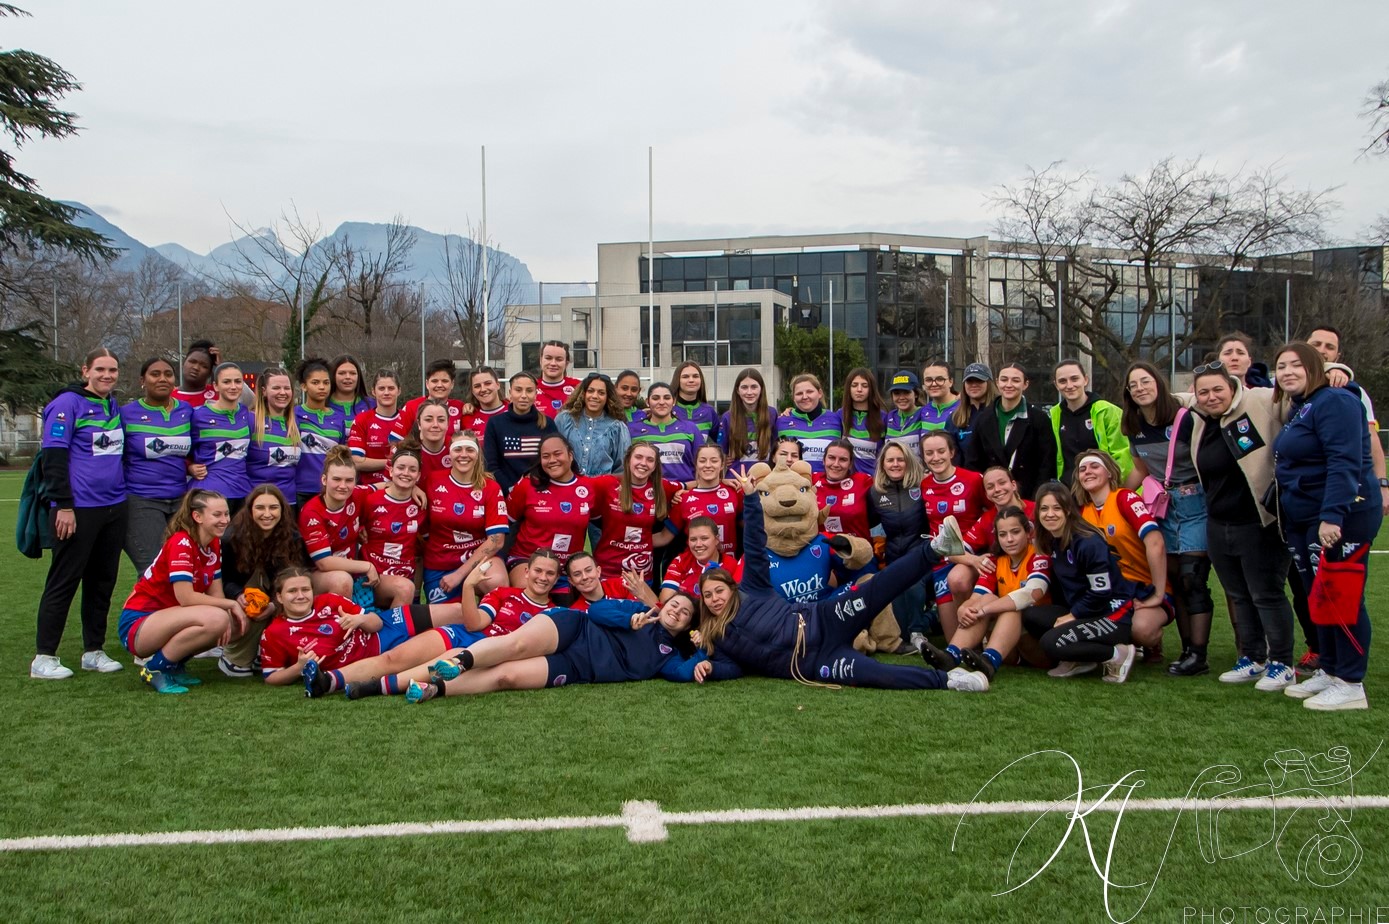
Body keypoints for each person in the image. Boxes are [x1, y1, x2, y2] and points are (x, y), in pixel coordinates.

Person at [694, 477, 987, 692]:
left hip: (821, 620)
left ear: (732, 588)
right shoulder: (717, 637)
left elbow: (755, 546)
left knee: (878, 586)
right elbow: (732, 668)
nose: (714, 599)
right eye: (708, 596)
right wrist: (710, 667)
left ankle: (935, 548)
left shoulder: (752, 588)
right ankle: (951, 680)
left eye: (719, 590)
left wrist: (749, 499)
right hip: (813, 663)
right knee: (875, 675)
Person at [1274, 342, 1383, 711]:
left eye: (1295, 365)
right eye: (1281, 366)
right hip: (1304, 516)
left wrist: (1332, 515)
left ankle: (1351, 683)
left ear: (1316, 367)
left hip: (1341, 516)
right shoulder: (1302, 405)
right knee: (1317, 596)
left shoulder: (1336, 400)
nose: (1287, 371)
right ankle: (1332, 668)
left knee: (1342, 595)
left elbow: (1344, 460)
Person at [1186, 361, 1298, 690]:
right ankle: (1253, 657)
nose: (1211, 396)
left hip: (1258, 520)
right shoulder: (1200, 417)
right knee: (1238, 593)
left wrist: (1336, 371)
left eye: (1217, 389)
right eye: (1203, 391)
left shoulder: (1260, 400)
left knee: (1266, 593)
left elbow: (1298, 388)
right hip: (1219, 522)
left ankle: (1282, 662)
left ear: (1232, 386)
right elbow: (1165, 397)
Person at [401, 592, 710, 702]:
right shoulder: (642, 612)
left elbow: (683, 673)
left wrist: (701, 651)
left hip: (578, 668)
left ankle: (434, 689)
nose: (676, 611)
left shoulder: (667, 657)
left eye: (684, 613)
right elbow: (597, 610)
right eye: (675, 604)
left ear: (686, 626)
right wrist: (629, 620)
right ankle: (462, 661)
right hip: (574, 630)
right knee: (517, 644)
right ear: (665, 604)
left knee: (506, 678)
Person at [31, 348, 129, 680]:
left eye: (113, 370)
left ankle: (93, 650)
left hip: (114, 507)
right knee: (64, 580)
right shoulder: (66, 404)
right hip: (78, 509)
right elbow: (53, 460)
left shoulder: (112, 404)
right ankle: (44, 657)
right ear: (85, 370)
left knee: (102, 582)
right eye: (100, 369)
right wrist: (64, 506)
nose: (107, 375)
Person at [1121, 361, 1212, 676]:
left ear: (1158, 384)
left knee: (1193, 577)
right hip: (1163, 507)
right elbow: (1141, 470)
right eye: (1133, 385)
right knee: (1177, 579)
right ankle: (1187, 650)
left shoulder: (1185, 419)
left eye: (1145, 382)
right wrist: (1118, 498)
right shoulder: (1134, 427)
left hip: (1195, 502)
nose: (1140, 388)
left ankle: (1199, 653)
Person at [116, 489, 247, 693]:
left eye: (226, 514)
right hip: (139, 623)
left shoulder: (213, 543)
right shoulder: (181, 542)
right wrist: (230, 605)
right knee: (218, 619)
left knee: (235, 622)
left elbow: (216, 594)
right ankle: (155, 669)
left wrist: (227, 613)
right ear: (197, 516)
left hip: (171, 617)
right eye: (217, 515)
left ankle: (174, 665)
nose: (224, 520)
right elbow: (185, 598)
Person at [259, 566, 466, 688]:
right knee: (446, 643)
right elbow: (271, 677)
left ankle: (497, 626)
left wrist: (360, 620)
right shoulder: (274, 633)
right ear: (279, 596)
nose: (301, 596)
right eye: (292, 591)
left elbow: (376, 623)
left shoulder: (329, 601)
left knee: (459, 611)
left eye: (305, 589)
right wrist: (298, 668)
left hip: (386, 627)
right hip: (376, 658)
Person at [918, 505, 1056, 680]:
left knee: (1011, 607)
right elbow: (977, 596)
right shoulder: (994, 560)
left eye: (1015, 532)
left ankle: (989, 661)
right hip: (1011, 650)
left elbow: (1031, 594)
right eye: (1003, 534)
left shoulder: (1039, 556)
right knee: (986, 598)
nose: (1010, 539)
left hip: (1039, 644)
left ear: (1028, 532)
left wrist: (985, 610)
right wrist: (964, 608)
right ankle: (951, 655)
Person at [1025, 483, 1142, 682]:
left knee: (1050, 643)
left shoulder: (1088, 543)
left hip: (1111, 615)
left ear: (1068, 510)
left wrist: (1073, 615)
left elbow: (1101, 592)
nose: (1049, 514)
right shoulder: (1053, 540)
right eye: (1044, 509)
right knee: (1030, 616)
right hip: (1085, 612)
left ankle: (1117, 654)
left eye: (1056, 508)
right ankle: (1081, 659)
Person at [1072, 453, 1173, 659]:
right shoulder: (1082, 512)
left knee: (1142, 630)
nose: (1088, 472)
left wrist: (1158, 593)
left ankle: (1150, 640)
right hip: (1110, 591)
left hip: (1143, 587)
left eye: (1094, 466)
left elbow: (1156, 542)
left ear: (1109, 472)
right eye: (1083, 469)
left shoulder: (1125, 498)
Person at [216, 484, 310, 678]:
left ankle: (270, 652)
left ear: (282, 510)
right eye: (260, 508)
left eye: (273, 507)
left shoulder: (292, 537)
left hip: (277, 597)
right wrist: (238, 594)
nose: (267, 514)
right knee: (254, 603)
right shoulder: (231, 538)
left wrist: (275, 604)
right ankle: (234, 657)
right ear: (250, 509)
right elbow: (222, 580)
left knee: (297, 598)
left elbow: (296, 575)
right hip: (241, 598)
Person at [121, 357, 192, 574]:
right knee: (155, 571)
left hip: (180, 501)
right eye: (155, 374)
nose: (162, 378)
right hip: (142, 499)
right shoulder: (126, 414)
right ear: (142, 380)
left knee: (183, 569)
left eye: (168, 374)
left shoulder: (187, 412)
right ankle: (143, 609)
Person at [422, 430, 509, 605]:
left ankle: (494, 627)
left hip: (476, 558)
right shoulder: (433, 480)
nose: (463, 455)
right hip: (440, 562)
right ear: (449, 454)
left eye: (469, 450)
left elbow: (497, 540)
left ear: (477, 454)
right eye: (457, 449)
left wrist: (459, 574)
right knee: (450, 622)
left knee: (497, 582)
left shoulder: (490, 487)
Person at [919, 430, 987, 639]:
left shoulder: (974, 479)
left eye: (941, 451)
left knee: (958, 580)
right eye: (929, 453)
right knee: (951, 637)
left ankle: (982, 629)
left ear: (952, 452)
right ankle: (973, 636)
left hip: (971, 556)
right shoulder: (925, 485)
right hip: (942, 560)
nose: (936, 457)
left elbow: (995, 513)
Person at [504, 435, 596, 585]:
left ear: (570, 455)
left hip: (567, 565)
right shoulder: (527, 485)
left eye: (557, 454)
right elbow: (505, 522)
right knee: (530, 591)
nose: (552, 460)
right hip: (527, 558)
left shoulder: (588, 487)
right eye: (546, 456)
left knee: (575, 602)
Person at [868, 440, 931, 648]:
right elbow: (869, 523)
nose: (895, 464)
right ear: (883, 464)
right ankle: (921, 624)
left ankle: (918, 632)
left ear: (908, 462)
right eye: (890, 460)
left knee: (913, 582)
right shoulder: (876, 492)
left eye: (900, 459)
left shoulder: (922, 485)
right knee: (900, 627)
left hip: (921, 552)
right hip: (894, 555)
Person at [590, 442, 678, 584]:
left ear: (655, 466)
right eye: (638, 457)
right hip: (607, 570)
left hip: (642, 575)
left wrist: (721, 480)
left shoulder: (661, 487)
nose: (643, 463)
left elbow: (691, 487)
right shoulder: (607, 483)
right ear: (628, 460)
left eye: (650, 460)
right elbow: (576, 486)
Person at [964, 362, 1056, 498]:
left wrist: (1038, 498)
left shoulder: (1039, 419)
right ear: (997, 382)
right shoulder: (984, 418)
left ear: (1025, 384)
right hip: (992, 497)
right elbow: (973, 461)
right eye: (1004, 379)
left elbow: (1046, 464)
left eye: (1016, 380)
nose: (1009, 384)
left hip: (1028, 497)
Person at [298, 445, 376, 598]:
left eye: (349, 480)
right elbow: (323, 562)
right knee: (342, 580)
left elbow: (390, 486)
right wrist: (367, 566)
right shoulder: (312, 512)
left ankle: (391, 621)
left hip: (352, 570)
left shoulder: (357, 494)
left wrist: (414, 489)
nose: (343, 486)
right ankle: (339, 621)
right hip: (316, 575)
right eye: (337, 479)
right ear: (324, 480)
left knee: (404, 587)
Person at [359, 447, 427, 608]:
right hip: (374, 578)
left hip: (405, 575)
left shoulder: (422, 504)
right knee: (404, 588)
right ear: (390, 471)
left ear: (418, 476)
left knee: (406, 587)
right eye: (401, 468)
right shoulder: (370, 501)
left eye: (412, 470)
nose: (406, 473)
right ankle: (393, 632)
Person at [1049, 358, 1132, 486]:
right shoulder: (1055, 414)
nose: (1069, 385)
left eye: (1074, 379)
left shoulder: (1107, 411)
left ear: (1085, 380)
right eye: (1062, 381)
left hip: (1103, 489)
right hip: (1069, 491)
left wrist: (1113, 488)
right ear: (1056, 385)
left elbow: (1123, 455)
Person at [188, 361, 252, 513]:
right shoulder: (198, 415)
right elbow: (182, 448)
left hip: (242, 492)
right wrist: (188, 467)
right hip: (209, 493)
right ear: (216, 386)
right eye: (226, 382)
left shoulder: (245, 413)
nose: (233, 386)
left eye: (238, 381)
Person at [670, 443, 743, 554]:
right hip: (696, 566)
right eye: (702, 461)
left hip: (729, 566)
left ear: (722, 464)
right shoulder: (683, 499)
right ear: (695, 464)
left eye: (714, 461)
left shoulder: (734, 491)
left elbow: (749, 526)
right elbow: (665, 537)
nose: (708, 465)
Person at [483, 371, 549, 494]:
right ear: (510, 393)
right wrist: (510, 489)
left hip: (540, 492)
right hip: (506, 494)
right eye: (518, 390)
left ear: (536, 394)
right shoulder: (495, 423)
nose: (523, 395)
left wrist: (536, 486)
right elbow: (491, 465)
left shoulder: (547, 423)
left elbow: (554, 461)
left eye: (529, 391)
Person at [294, 358, 347, 508]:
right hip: (301, 490)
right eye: (315, 383)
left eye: (326, 382)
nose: (322, 387)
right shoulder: (293, 414)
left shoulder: (338, 418)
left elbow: (340, 454)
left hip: (330, 490)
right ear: (304, 386)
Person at [246, 365, 301, 507]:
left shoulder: (297, 423)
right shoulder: (250, 420)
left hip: (289, 503)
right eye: (276, 388)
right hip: (257, 504)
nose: (283, 392)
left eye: (287, 388)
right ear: (264, 391)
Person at [556, 371, 630, 477]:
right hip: (568, 487)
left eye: (601, 393)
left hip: (602, 489)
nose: (595, 396)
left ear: (608, 397)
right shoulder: (564, 419)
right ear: (583, 393)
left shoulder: (617, 427)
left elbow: (622, 468)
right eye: (590, 391)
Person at [628, 382, 701, 484]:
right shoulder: (632, 430)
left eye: (667, 398)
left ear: (674, 401)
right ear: (647, 402)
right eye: (656, 398)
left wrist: (689, 488)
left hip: (684, 491)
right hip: (649, 492)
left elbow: (702, 464)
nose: (661, 402)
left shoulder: (690, 428)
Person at [814, 439, 875, 556]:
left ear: (850, 464)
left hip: (857, 554)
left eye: (843, 460)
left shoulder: (864, 481)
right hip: (821, 554)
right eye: (831, 457)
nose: (836, 464)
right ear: (823, 460)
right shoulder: (812, 481)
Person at [347, 369, 407, 486]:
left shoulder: (408, 419)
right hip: (370, 487)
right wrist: (393, 462)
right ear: (373, 391)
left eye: (391, 388)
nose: (386, 393)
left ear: (399, 391)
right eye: (381, 388)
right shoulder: (362, 419)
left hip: (403, 488)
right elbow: (357, 462)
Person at [774, 374, 841, 472]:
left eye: (809, 391)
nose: (805, 397)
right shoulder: (781, 422)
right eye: (799, 393)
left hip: (826, 485)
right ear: (793, 397)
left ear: (819, 393)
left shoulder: (836, 419)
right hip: (792, 484)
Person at [661, 517, 736, 600]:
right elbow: (666, 600)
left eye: (704, 538)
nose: (698, 544)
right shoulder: (680, 561)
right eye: (693, 539)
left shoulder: (732, 565)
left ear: (716, 540)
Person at [718, 369, 773, 478]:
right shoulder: (727, 417)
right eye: (744, 387)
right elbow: (720, 453)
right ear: (738, 390)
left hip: (764, 480)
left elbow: (778, 447)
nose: (749, 392)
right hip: (736, 480)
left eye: (754, 387)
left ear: (761, 389)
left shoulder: (772, 414)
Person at [837, 367, 886, 475]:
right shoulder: (839, 415)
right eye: (854, 385)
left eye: (864, 386)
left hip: (873, 482)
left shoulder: (883, 417)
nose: (859, 389)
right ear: (848, 388)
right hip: (846, 482)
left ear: (871, 389)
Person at [399, 359, 467, 436]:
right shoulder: (411, 407)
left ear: (452, 384)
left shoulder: (460, 407)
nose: (439, 385)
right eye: (434, 381)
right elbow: (395, 441)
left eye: (445, 381)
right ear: (427, 384)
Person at [947, 362, 996, 457]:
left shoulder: (999, 411)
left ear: (989, 383)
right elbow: (953, 454)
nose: (974, 385)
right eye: (969, 381)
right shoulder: (955, 418)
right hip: (966, 470)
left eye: (979, 380)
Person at [459, 366, 509, 447]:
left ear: (498, 385)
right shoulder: (467, 418)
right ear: (472, 391)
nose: (483, 389)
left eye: (488, 383)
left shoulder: (514, 410)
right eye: (477, 386)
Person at [406, 399, 453, 483]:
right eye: (428, 420)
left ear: (448, 424)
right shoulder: (405, 450)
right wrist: (412, 488)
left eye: (441, 420)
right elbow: (389, 484)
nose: (435, 425)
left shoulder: (458, 449)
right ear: (419, 424)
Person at [672, 360, 719, 443]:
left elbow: (719, 444)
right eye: (685, 377)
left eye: (695, 376)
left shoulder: (709, 412)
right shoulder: (668, 410)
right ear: (677, 380)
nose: (691, 380)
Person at [884, 370, 926, 459]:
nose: (901, 397)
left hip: (918, 472)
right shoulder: (888, 417)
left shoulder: (924, 414)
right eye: (897, 393)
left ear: (916, 394)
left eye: (906, 392)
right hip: (894, 471)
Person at [536, 340, 581, 418]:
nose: (553, 363)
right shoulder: (530, 388)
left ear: (566, 363)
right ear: (541, 360)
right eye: (548, 358)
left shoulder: (578, 387)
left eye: (559, 359)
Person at [328, 354, 373, 429]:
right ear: (333, 375)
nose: (348, 377)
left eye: (352, 373)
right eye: (342, 373)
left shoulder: (373, 405)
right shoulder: (323, 406)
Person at [919, 361, 959, 432]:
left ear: (951, 381)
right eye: (928, 380)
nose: (934, 384)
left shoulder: (963, 407)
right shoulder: (923, 412)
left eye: (940, 379)